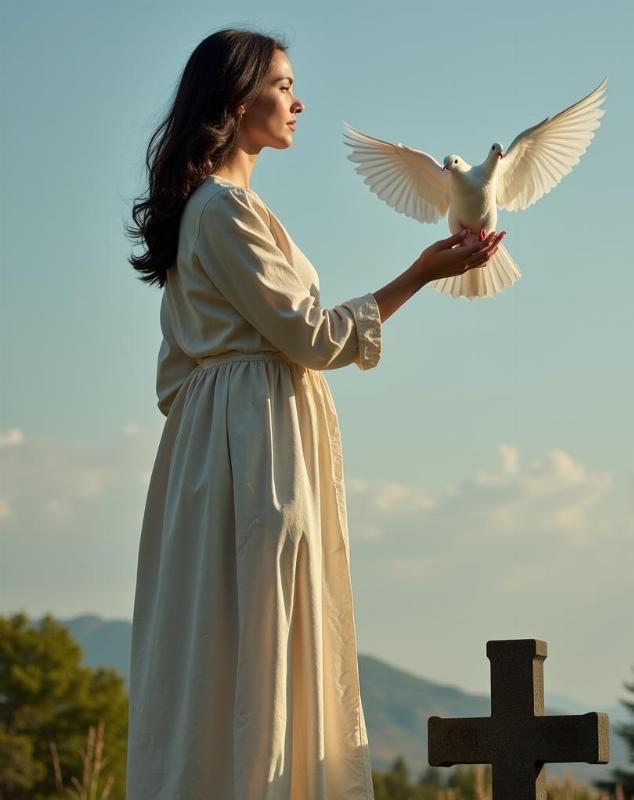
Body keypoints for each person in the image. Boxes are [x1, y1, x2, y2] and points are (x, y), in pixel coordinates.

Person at [124, 27, 505, 800]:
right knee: (266, 633)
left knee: (227, 641)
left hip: (223, 450)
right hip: (256, 451)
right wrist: (421, 274)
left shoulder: (209, 211)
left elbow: (174, 377)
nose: (299, 100)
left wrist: (215, 429)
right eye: (284, 84)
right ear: (237, 99)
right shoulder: (225, 211)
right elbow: (314, 336)